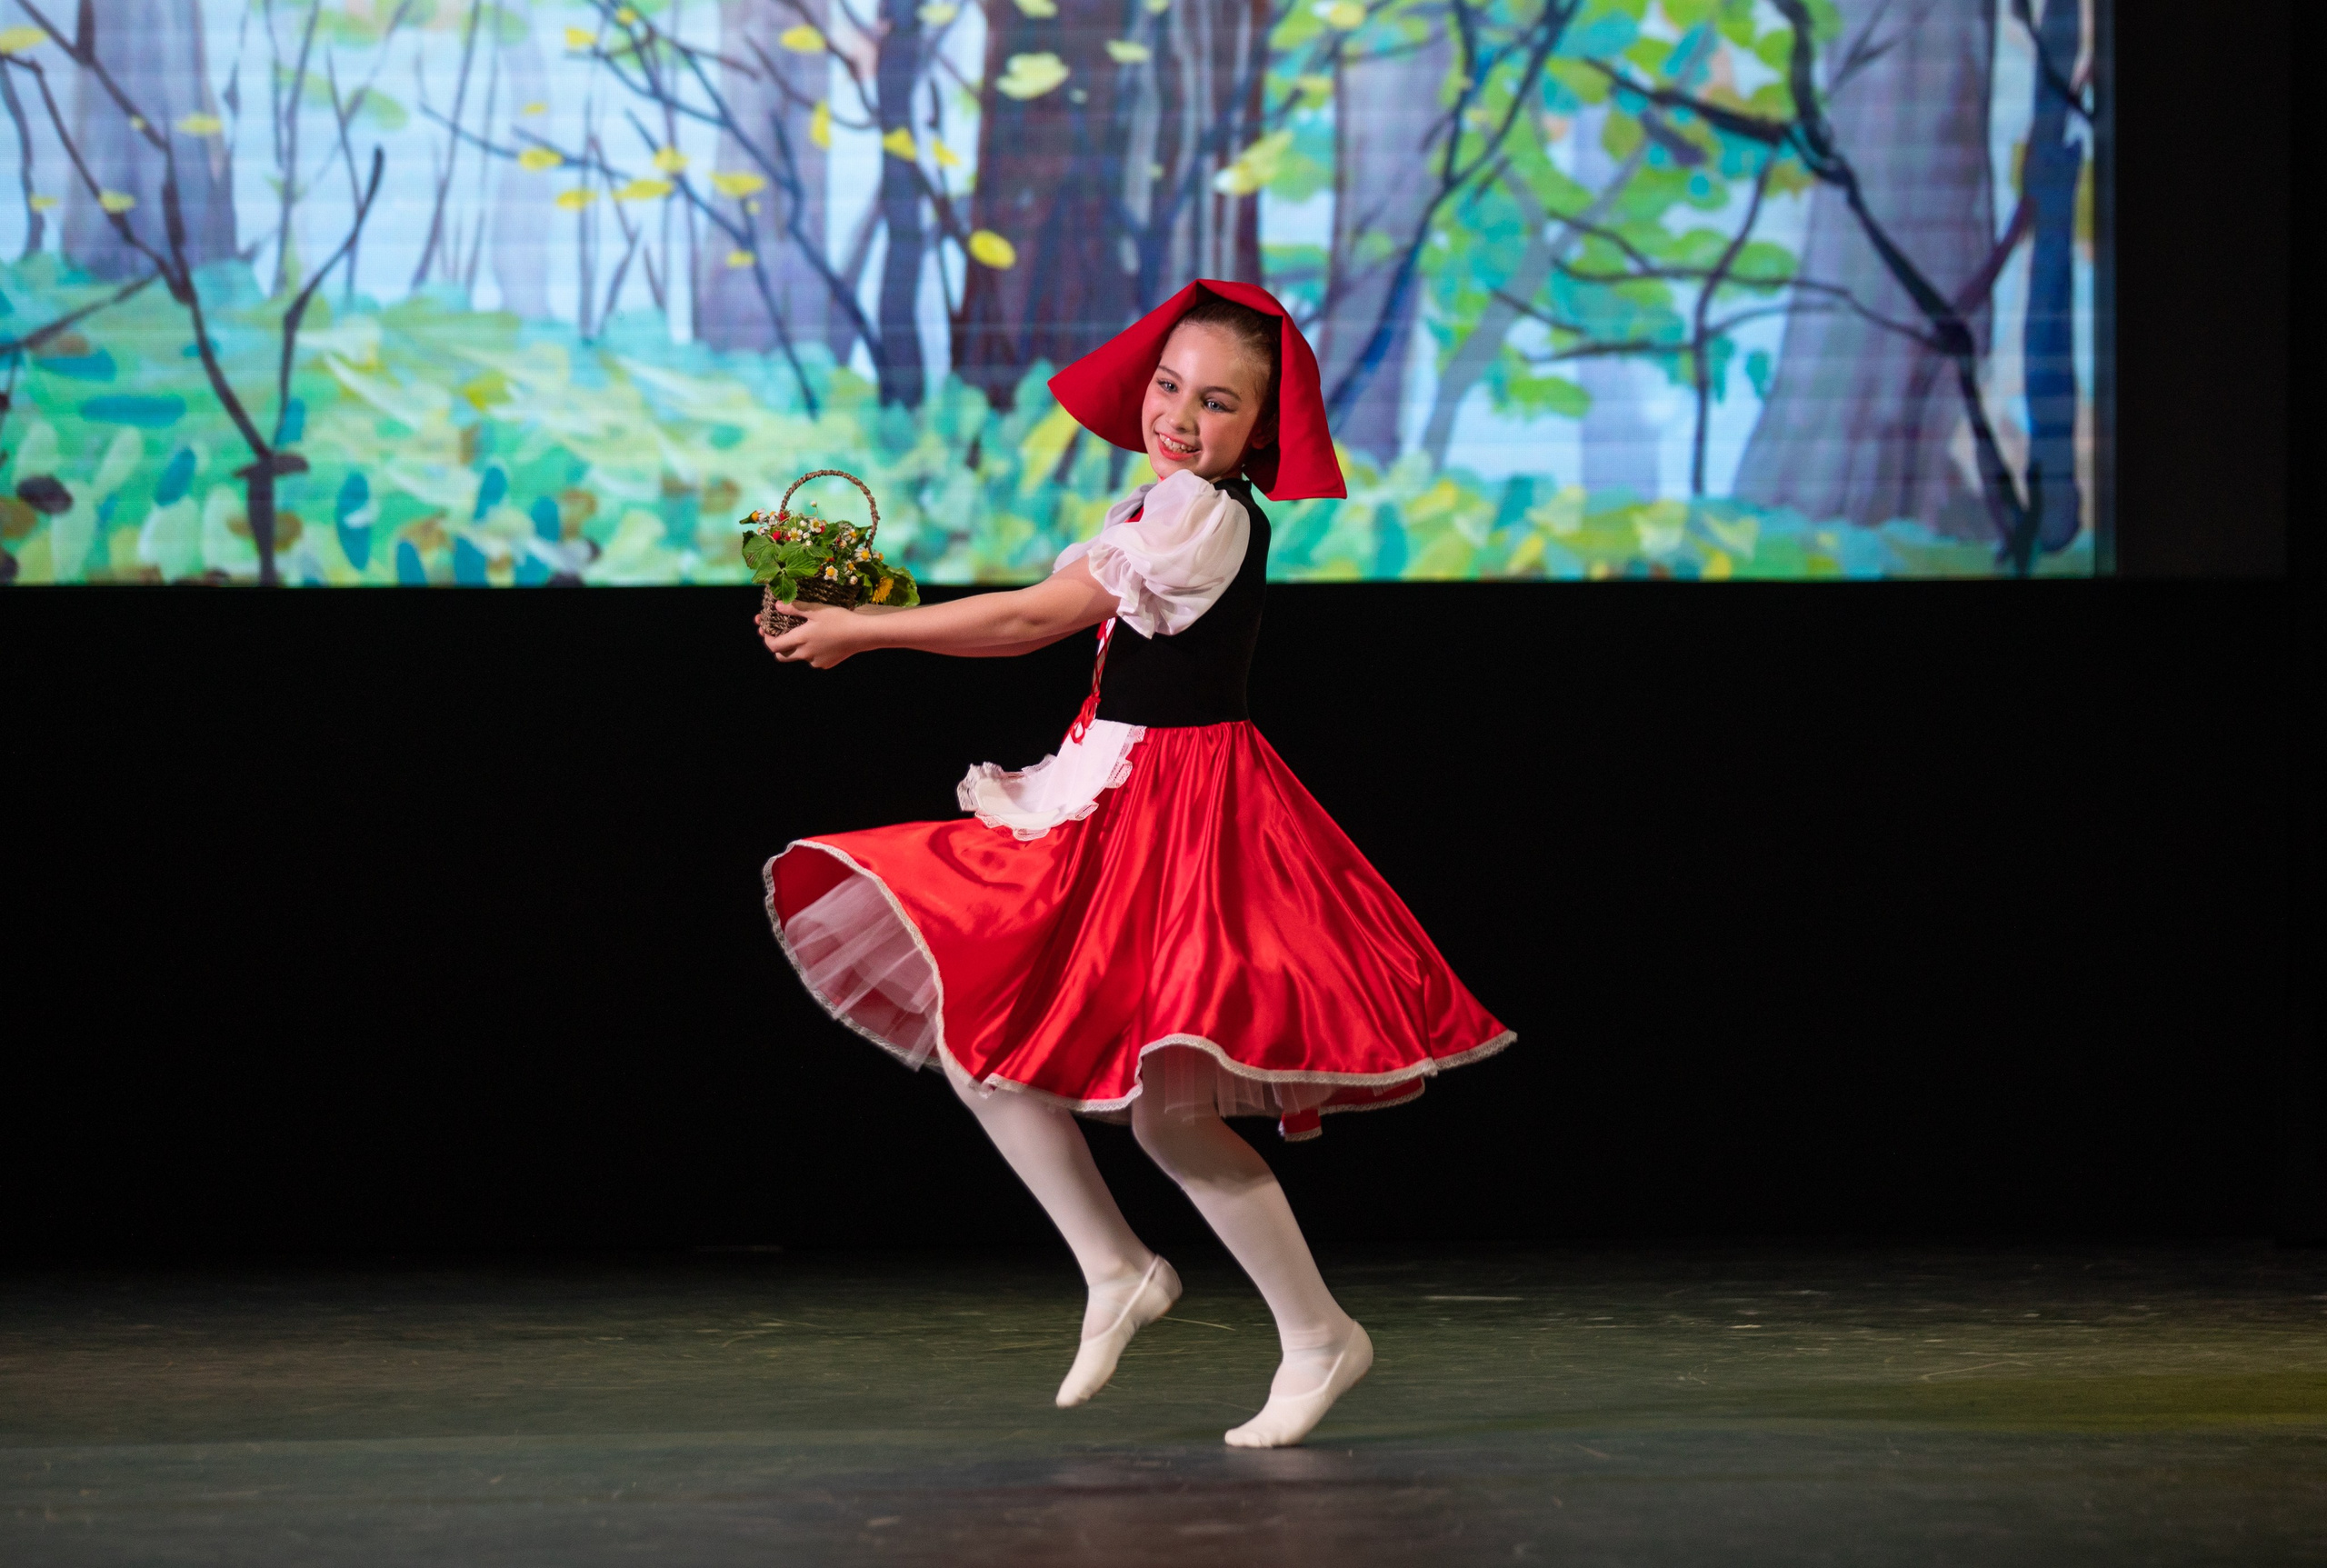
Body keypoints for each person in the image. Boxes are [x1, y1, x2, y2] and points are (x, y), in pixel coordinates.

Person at [758, 280, 1513, 1448]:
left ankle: (1308, 1335)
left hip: (1180, 818)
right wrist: (854, 605)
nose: (1180, 415)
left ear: (1257, 433)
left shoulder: (1203, 517)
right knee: (993, 1039)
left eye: (1215, 404)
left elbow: (1031, 620)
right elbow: (1057, 611)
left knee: (1137, 1102)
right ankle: (1122, 1269)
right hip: (1108, 787)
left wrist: (865, 635)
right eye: (1169, 387)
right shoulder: (1155, 505)